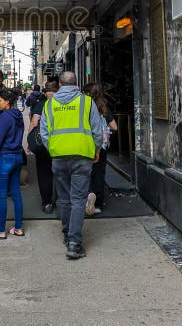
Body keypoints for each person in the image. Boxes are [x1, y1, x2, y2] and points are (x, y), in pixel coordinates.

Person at [40, 71, 103, 260]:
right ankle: (74, 243)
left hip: (59, 157)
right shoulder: (86, 102)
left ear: (59, 85)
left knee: (64, 197)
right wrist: (96, 150)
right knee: (78, 199)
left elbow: (44, 133)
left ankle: (68, 234)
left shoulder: (49, 104)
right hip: (82, 156)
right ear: (77, 84)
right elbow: (97, 130)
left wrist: (53, 150)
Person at [0, 89, 25, 239]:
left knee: (1, 196)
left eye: (0, 100)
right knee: (16, 194)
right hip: (17, 157)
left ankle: (1, 231)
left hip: (4, 158)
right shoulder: (18, 116)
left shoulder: (4, 117)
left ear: (7, 102)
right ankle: (18, 228)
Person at [84, 83, 117, 214]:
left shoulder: (86, 107)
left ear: (88, 93)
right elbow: (114, 127)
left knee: (87, 172)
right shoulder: (104, 107)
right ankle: (98, 204)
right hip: (102, 146)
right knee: (99, 173)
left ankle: (89, 194)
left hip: (88, 143)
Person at [29, 81, 58, 214]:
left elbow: (34, 122)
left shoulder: (41, 104)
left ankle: (47, 203)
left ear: (45, 93)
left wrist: (30, 140)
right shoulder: (62, 104)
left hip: (43, 145)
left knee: (44, 173)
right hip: (60, 143)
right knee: (59, 173)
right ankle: (58, 199)